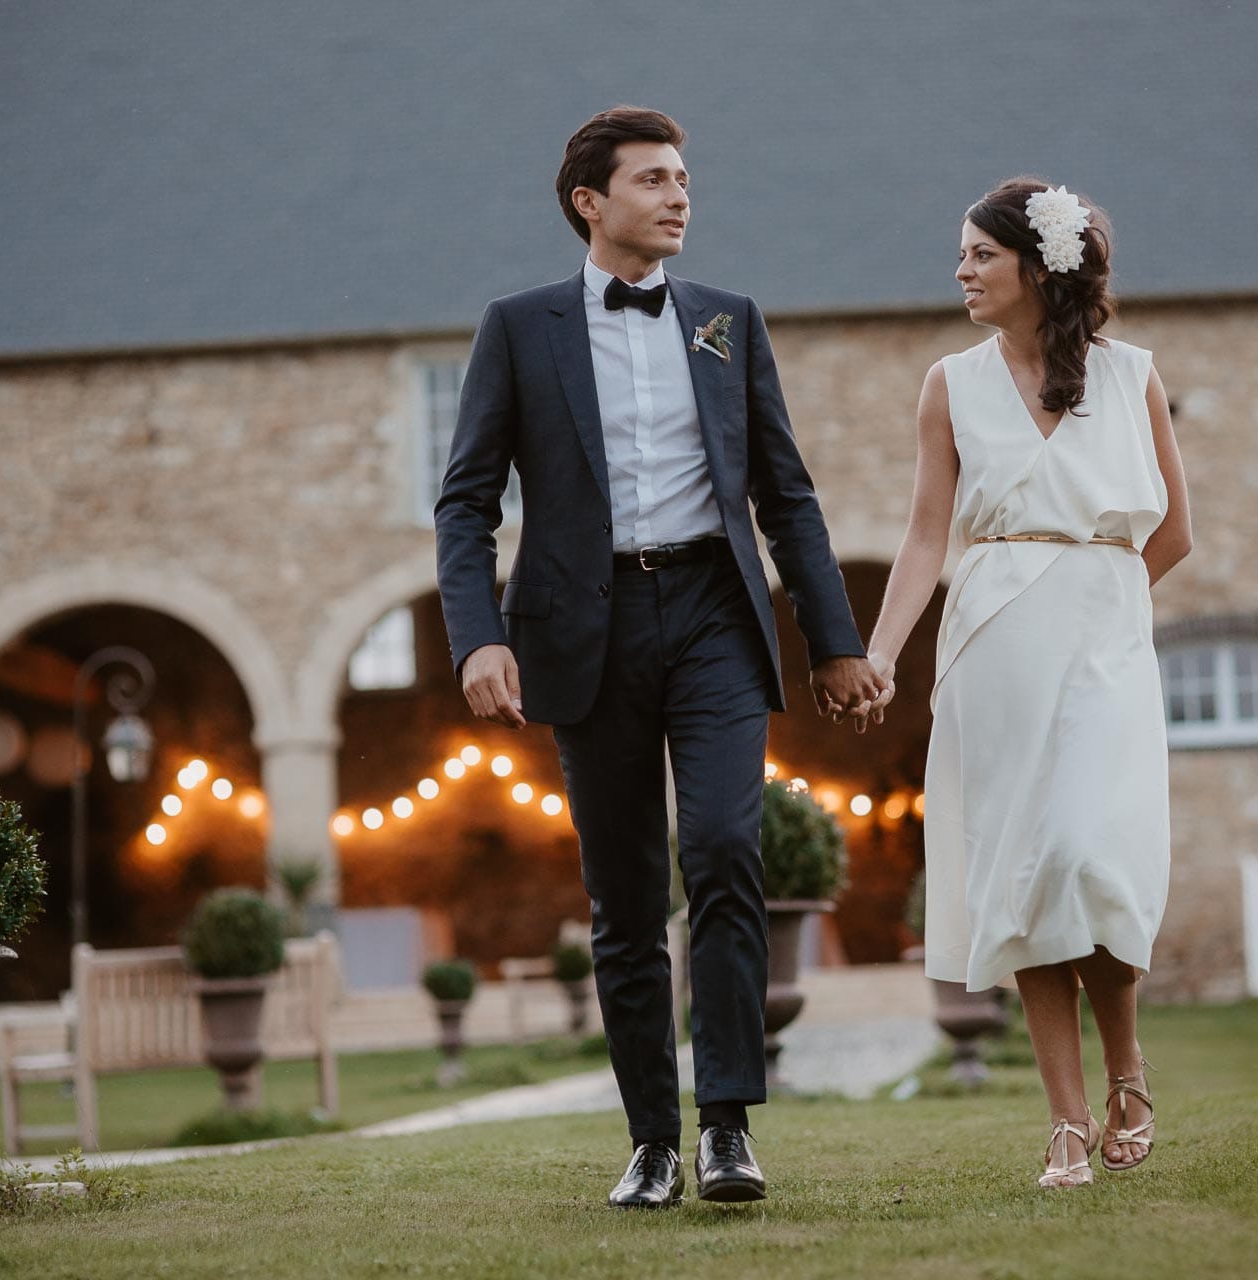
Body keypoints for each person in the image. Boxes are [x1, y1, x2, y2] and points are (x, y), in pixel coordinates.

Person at [432, 106, 885, 1208]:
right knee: (624, 894)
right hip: (583, 631)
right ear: (590, 202)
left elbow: (786, 493)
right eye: (652, 179)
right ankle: (650, 1139)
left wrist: (834, 640)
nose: (679, 195)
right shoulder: (518, 325)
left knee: (727, 848)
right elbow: (465, 498)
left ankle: (726, 1123)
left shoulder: (726, 321)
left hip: (712, 615)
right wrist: (476, 635)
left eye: (683, 177)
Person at [861, 177, 1192, 1189]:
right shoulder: (946, 384)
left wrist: (1093, 603)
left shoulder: (1131, 374)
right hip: (990, 644)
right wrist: (879, 652)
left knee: (1089, 855)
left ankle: (1127, 1065)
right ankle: (1064, 1117)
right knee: (1024, 870)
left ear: (1037, 266)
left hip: (1100, 636)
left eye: (977, 255)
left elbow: (1174, 532)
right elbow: (924, 536)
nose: (959, 271)